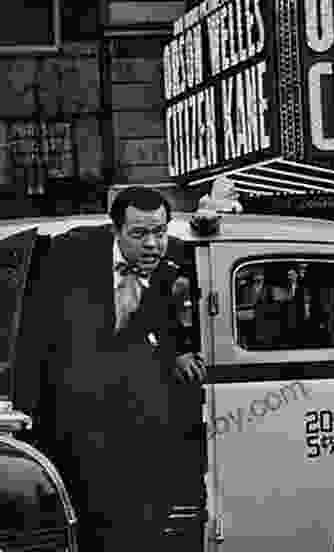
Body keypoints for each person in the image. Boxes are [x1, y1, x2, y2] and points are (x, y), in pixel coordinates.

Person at [14, 186, 206, 551]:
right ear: (115, 231)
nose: (152, 244)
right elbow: (40, 342)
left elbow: (185, 319)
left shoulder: (179, 264)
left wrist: (179, 352)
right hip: (79, 436)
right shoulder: (71, 260)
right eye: (139, 233)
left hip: (147, 440)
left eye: (160, 232)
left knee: (142, 532)